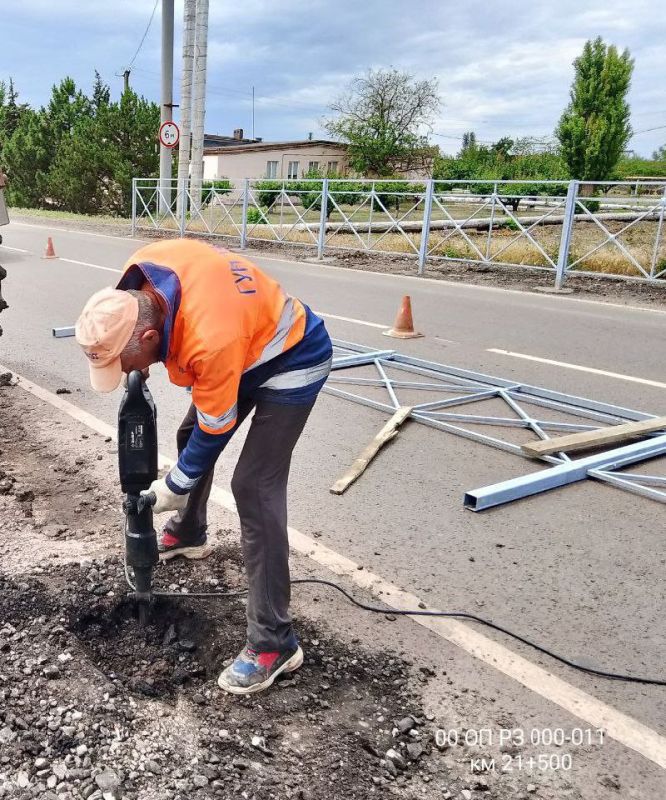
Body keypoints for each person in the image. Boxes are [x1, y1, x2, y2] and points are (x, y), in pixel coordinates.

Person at [75, 239, 332, 694]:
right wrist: (182, 472)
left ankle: (274, 642)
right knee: (186, 436)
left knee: (254, 486)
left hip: (291, 356)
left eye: (125, 364)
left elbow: (216, 428)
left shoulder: (209, 340)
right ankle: (190, 531)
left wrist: (174, 485)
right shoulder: (138, 281)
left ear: (149, 338)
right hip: (241, 345)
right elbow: (204, 421)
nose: (129, 372)